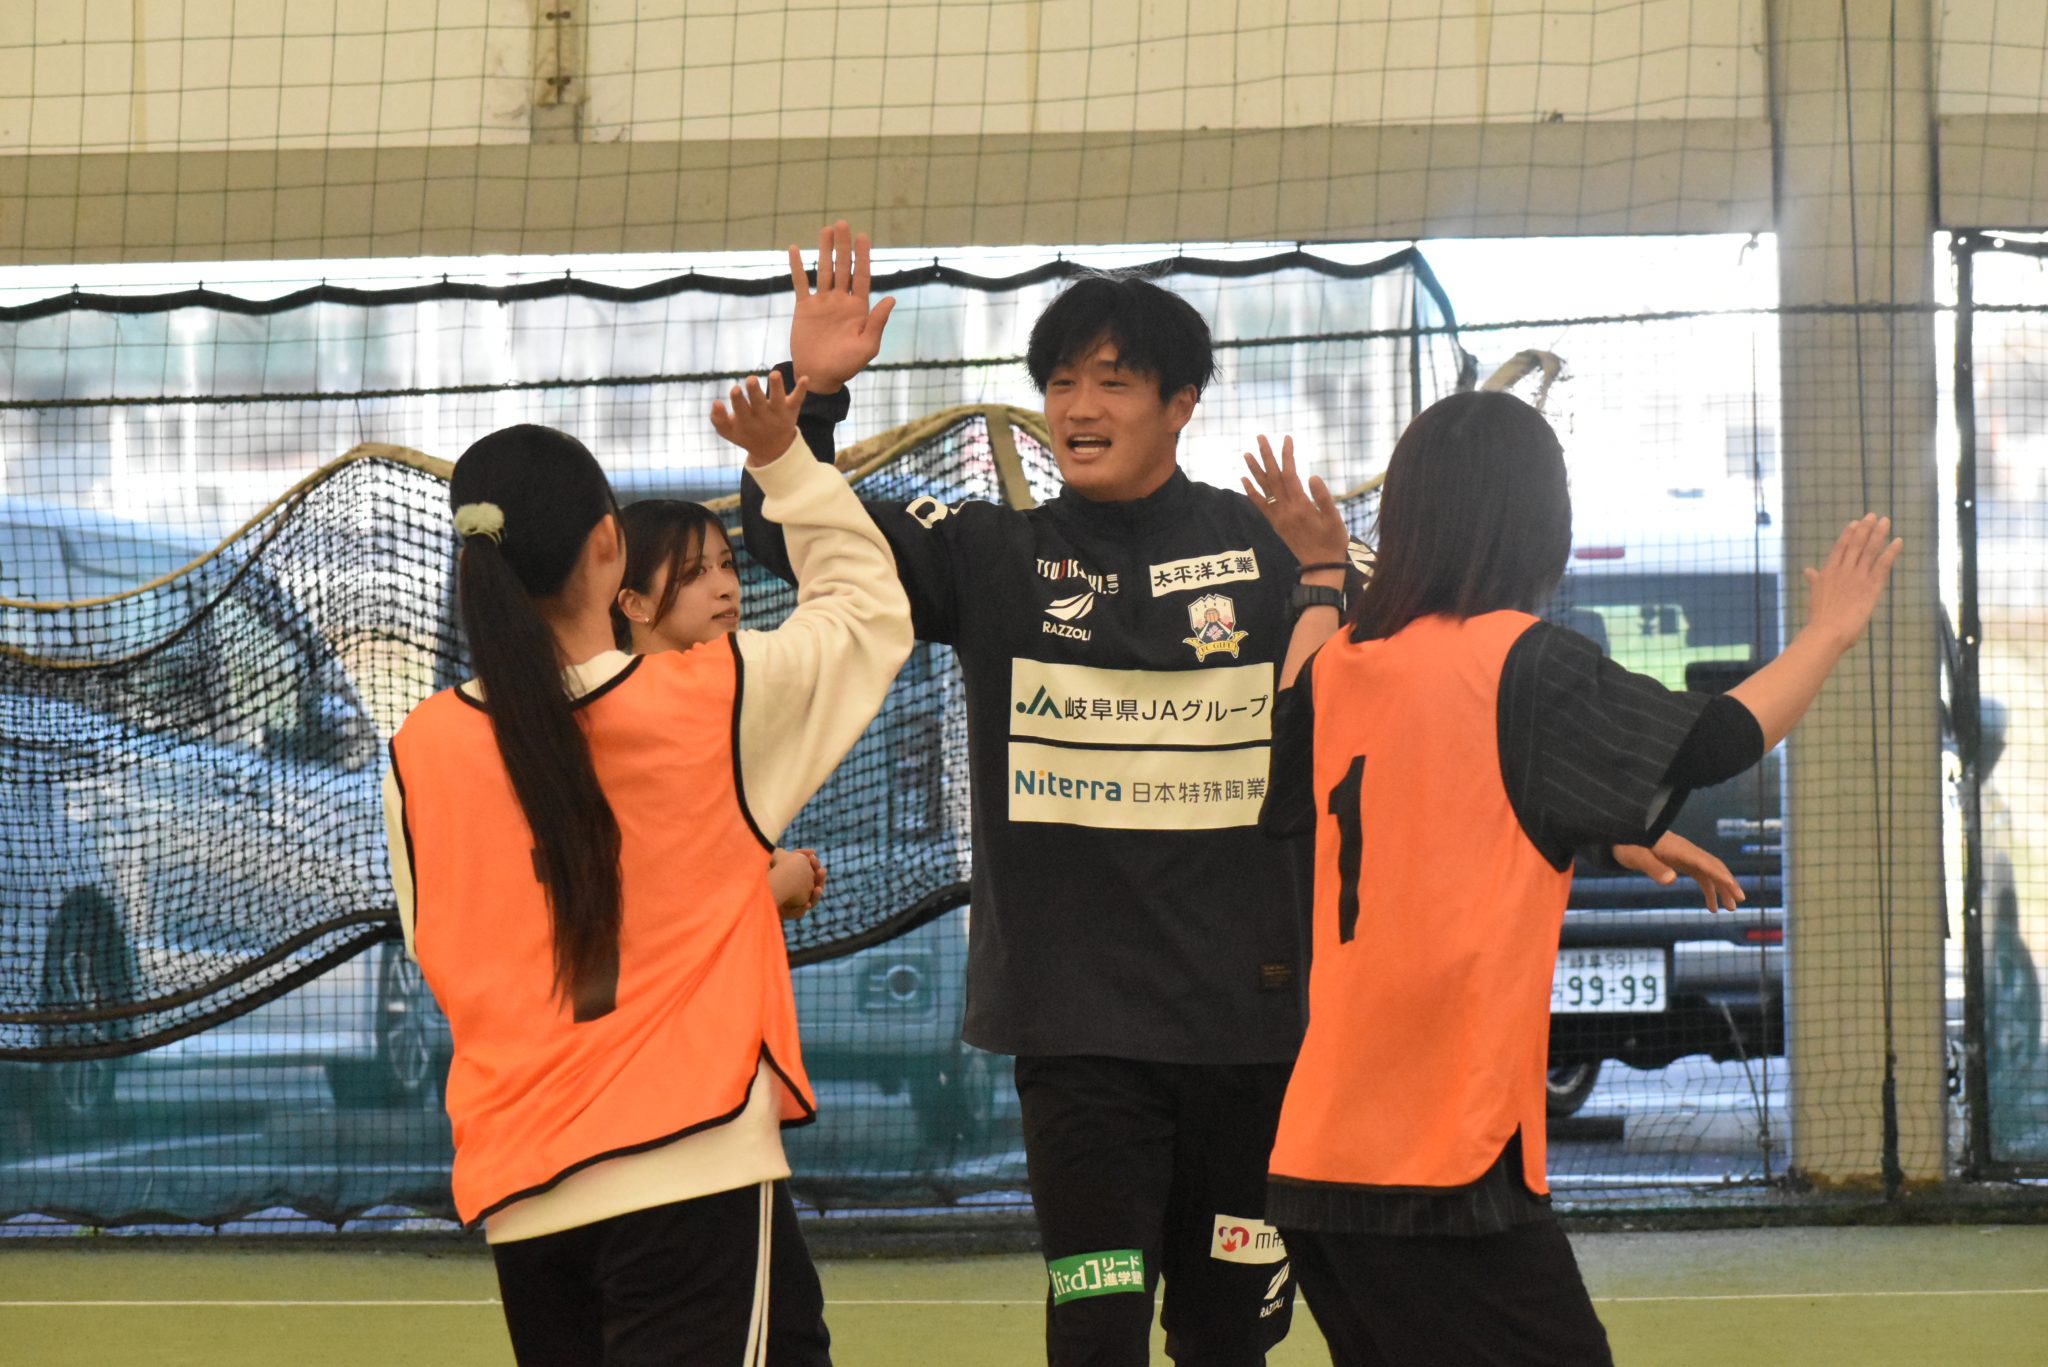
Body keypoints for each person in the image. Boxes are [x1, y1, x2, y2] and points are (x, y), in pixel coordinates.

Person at [744, 223, 1739, 1367]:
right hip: (1076, 1037)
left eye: (1111, 381)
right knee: (1094, 1332)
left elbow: (1434, 704)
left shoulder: (1273, 556)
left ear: (1181, 403)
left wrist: (1612, 826)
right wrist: (814, 391)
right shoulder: (991, 556)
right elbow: (793, 533)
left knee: (1226, 1335)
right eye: (1059, 382)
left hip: (1252, 1033)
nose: (1077, 405)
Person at [1245, 390, 1900, 1366]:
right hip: (1443, 1161)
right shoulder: (1522, 662)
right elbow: (1716, 740)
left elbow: (1394, 776)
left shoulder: (1348, 661)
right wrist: (1829, 631)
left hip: (1317, 1161)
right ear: (1538, 522)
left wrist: (1319, 573)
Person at [381, 371, 913, 1367]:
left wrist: (730, 894)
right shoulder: (708, 699)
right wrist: (784, 456)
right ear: (607, 547)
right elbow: (868, 610)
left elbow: (456, 943)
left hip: (525, 1189)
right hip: (687, 1164)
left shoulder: (421, 748)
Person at [611, 496, 826, 919]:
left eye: (727, 564)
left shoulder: (705, 699)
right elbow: (669, 913)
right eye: (694, 572)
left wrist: (771, 863)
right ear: (635, 604)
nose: (727, 587)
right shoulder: (634, 715)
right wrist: (782, 883)